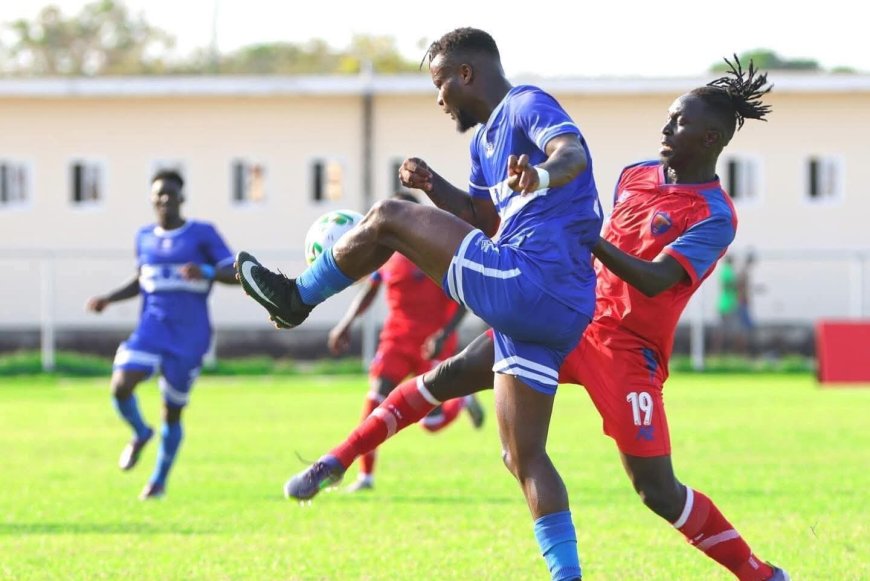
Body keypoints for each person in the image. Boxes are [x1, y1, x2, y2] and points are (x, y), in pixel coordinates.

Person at [280, 58, 789, 580]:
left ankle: (761, 574)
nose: (665, 127)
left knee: (656, 491)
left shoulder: (715, 216)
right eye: (667, 116)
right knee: (450, 378)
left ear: (709, 138)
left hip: (629, 351)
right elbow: (527, 221)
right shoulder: (636, 175)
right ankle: (335, 461)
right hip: (571, 315)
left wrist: (588, 238)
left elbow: (656, 280)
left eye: (678, 121)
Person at [237, 27, 601, 581]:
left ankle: (296, 298)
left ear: (466, 75)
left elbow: (570, 152)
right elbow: (482, 220)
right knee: (523, 457)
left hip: (532, 279)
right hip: (559, 312)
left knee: (386, 216)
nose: (438, 99)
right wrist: (433, 185)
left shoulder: (526, 104)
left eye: (439, 85)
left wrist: (543, 173)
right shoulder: (482, 145)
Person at [86, 170, 238, 500]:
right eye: (159, 194)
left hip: (190, 335)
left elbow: (236, 271)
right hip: (151, 329)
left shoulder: (201, 233)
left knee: (172, 411)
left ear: (182, 198)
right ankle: (140, 433)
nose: (165, 199)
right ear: (152, 199)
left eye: (172, 193)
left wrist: (208, 270)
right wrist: (109, 299)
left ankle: (158, 481)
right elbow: (142, 278)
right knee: (121, 383)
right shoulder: (144, 237)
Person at [328, 191, 483, 494]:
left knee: (431, 424)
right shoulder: (385, 250)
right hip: (396, 339)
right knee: (376, 401)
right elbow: (370, 291)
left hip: (433, 343)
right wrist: (345, 324)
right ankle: (366, 476)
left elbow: (467, 296)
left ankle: (462, 400)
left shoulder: (437, 247)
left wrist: (445, 334)